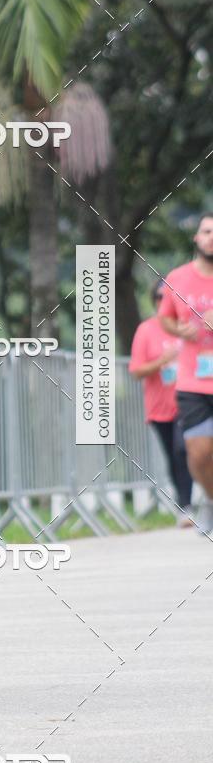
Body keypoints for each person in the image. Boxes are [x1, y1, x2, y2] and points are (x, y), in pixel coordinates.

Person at [159, 212, 213, 534]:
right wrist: (179, 328)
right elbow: (164, 318)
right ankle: (209, 497)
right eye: (206, 231)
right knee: (198, 451)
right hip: (193, 378)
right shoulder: (177, 278)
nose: (212, 237)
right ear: (196, 238)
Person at [129, 280, 193, 523]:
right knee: (173, 455)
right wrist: (161, 361)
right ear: (154, 301)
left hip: (190, 401)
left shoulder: (190, 327)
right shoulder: (146, 330)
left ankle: (189, 504)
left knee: (183, 448)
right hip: (159, 407)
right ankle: (185, 504)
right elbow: (136, 371)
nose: (164, 302)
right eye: (159, 297)